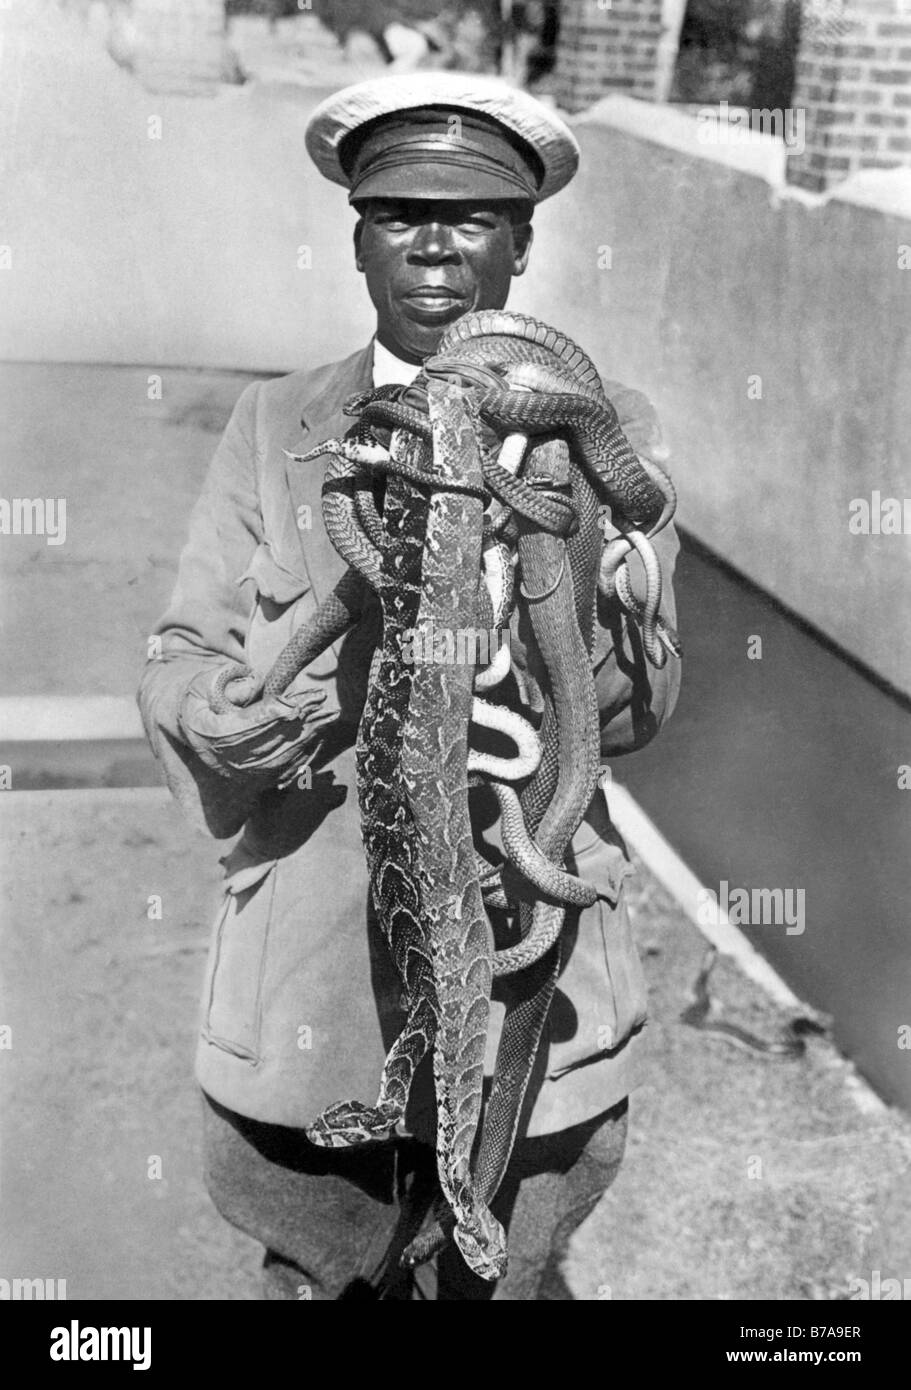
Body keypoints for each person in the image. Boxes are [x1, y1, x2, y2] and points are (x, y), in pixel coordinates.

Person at [137, 71, 681, 1301]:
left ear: (522, 242)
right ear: (357, 236)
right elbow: (181, 662)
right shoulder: (278, 424)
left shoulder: (608, 425)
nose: (433, 241)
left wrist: (559, 539)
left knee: (511, 1277)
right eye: (396, 211)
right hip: (314, 997)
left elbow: (644, 707)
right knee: (318, 1276)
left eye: (472, 215)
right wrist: (236, 712)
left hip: (527, 990)